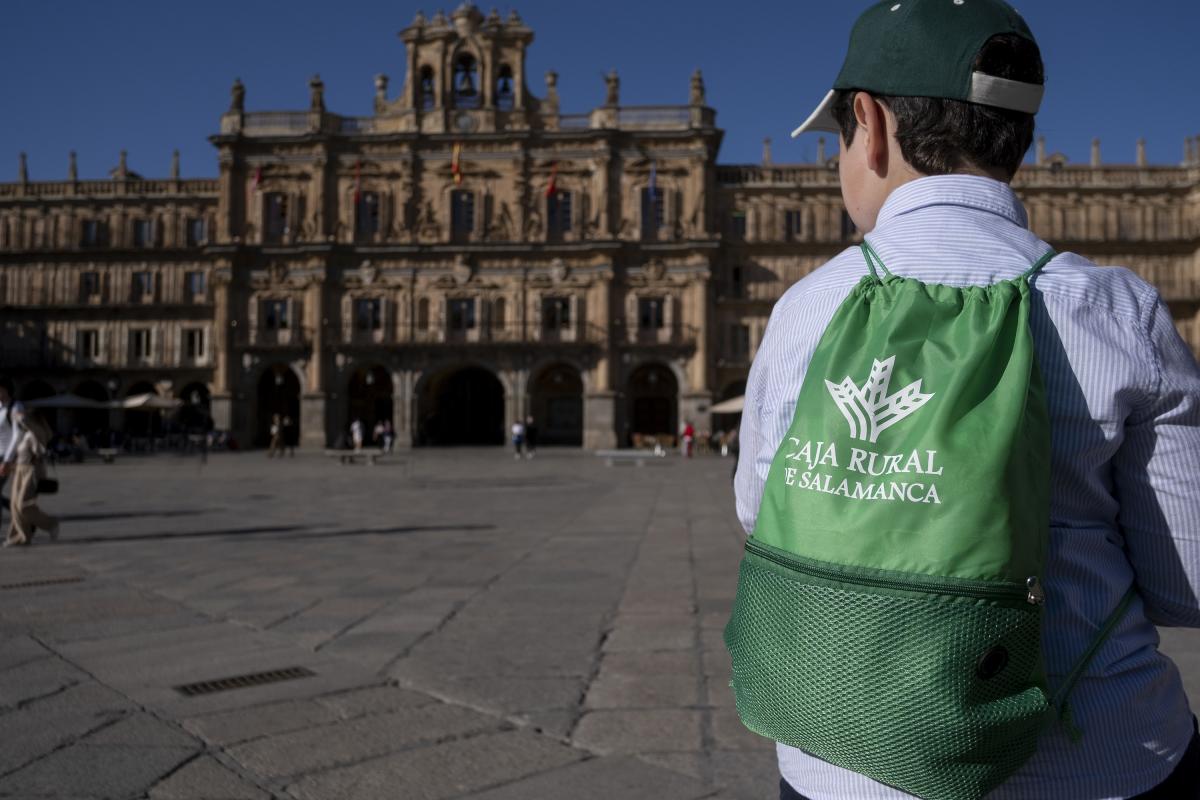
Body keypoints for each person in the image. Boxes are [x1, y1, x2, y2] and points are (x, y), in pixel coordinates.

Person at [734, 2, 1200, 798]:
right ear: (1014, 134)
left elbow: (761, 515)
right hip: (1103, 760)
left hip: (842, 767)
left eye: (840, 140)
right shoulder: (1118, 310)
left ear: (869, 124)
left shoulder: (807, 307)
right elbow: (1184, 579)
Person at [3, 407, 59, 547]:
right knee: (14, 505)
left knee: (23, 505)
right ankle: (21, 536)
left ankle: (50, 524)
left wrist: (21, 417)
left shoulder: (38, 433)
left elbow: (39, 451)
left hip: (31, 471)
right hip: (19, 470)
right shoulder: (25, 434)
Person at [0, 379, 19, 532]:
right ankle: (20, 511)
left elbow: (16, 435)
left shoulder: (16, 407)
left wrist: (7, 460)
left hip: (6, 456)